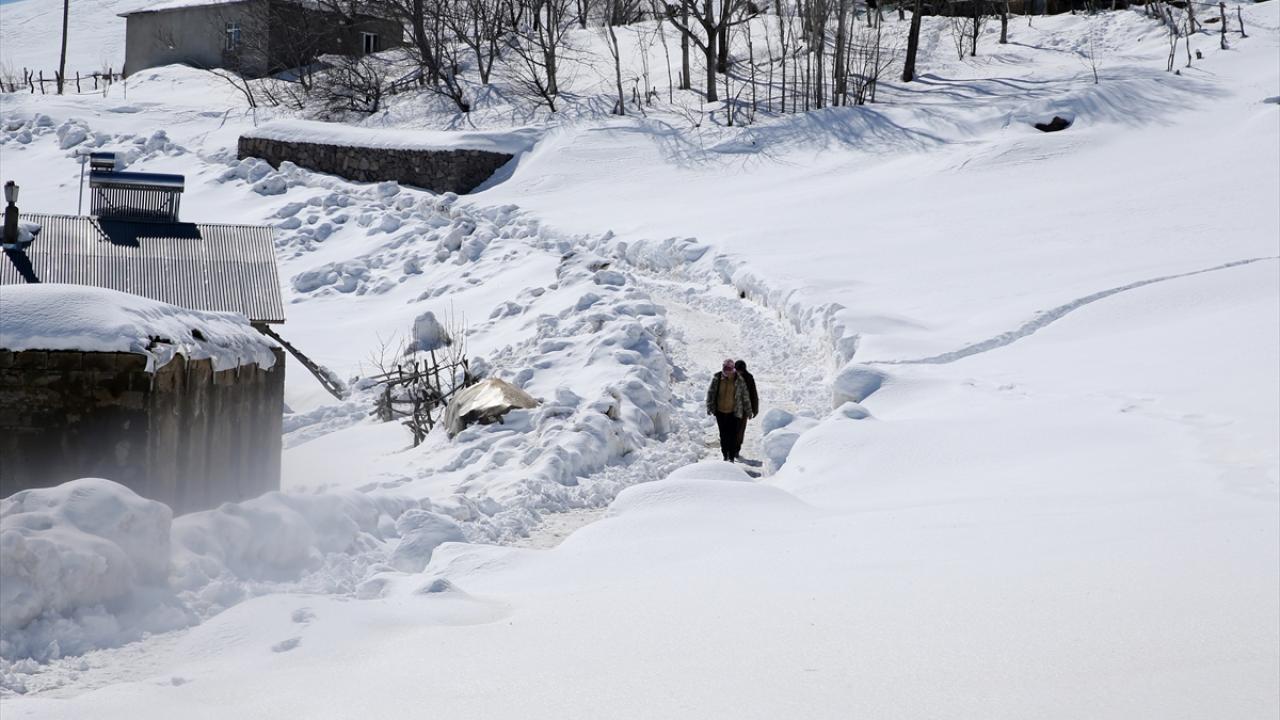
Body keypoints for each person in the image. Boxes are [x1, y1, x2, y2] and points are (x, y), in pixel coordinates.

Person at [706, 358, 751, 462]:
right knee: (723, 435)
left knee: (732, 435)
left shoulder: (738, 379)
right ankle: (725, 455)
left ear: (733, 369)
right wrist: (709, 406)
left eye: (729, 369)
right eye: (725, 368)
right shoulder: (717, 378)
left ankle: (731, 456)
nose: (727, 371)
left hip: (733, 412)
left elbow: (745, 396)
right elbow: (711, 392)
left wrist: (748, 410)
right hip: (720, 411)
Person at [734, 360, 759, 454]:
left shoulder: (749, 378)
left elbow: (753, 394)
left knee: (740, 429)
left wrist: (755, 409)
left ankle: (737, 448)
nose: (739, 372)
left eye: (741, 371)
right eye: (737, 370)